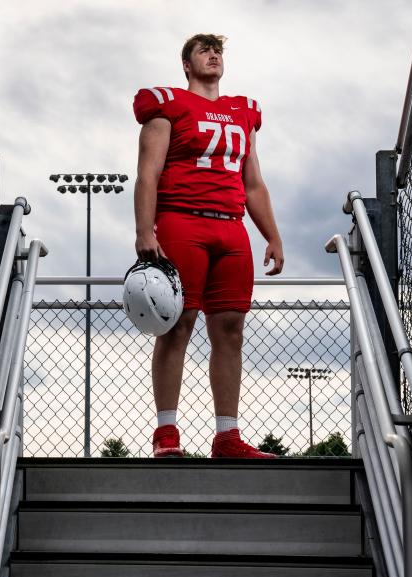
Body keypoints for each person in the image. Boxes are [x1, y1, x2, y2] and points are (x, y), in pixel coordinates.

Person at [133, 33, 284, 459]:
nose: (214, 55)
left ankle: (228, 437)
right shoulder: (167, 105)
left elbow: (252, 183)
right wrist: (145, 230)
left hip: (231, 227)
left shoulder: (242, 112)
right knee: (177, 325)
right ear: (186, 64)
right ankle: (166, 434)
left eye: (218, 51)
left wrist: (271, 234)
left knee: (231, 331)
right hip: (182, 221)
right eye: (204, 50)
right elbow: (148, 173)